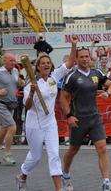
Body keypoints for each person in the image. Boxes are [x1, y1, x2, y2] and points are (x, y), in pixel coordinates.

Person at [16, 36, 77, 191]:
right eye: (43, 63)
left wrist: (74, 44)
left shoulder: (54, 77)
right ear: (37, 67)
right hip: (33, 124)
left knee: (54, 155)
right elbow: (28, 106)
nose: (46, 65)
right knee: (35, 156)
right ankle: (22, 175)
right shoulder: (31, 84)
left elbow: (70, 62)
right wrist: (31, 93)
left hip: (50, 122)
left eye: (48, 63)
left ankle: (58, 189)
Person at [60, 47, 111, 191]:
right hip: (78, 119)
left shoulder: (96, 73)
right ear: (77, 59)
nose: (85, 59)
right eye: (82, 57)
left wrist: (108, 93)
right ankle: (65, 174)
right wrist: (69, 116)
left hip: (94, 118)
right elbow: (63, 98)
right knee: (73, 149)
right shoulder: (71, 76)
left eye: (87, 56)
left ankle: (106, 182)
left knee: (102, 148)